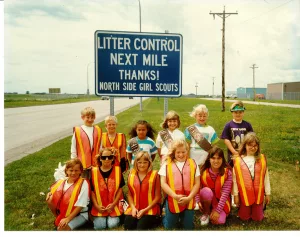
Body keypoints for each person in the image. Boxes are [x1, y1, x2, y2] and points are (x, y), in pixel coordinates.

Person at [159, 139, 200, 230]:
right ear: (174, 152)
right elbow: (163, 183)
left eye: (183, 152)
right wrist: (174, 196)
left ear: (187, 151)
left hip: (189, 198)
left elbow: (197, 183)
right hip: (173, 199)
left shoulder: (193, 163)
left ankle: (183, 217)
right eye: (178, 152)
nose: (181, 155)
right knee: (169, 227)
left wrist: (189, 198)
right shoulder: (166, 164)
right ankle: (166, 215)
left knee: (188, 227)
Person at [184, 104, 219, 210]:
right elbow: (187, 145)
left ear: (207, 116)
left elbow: (214, 145)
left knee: (204, 178)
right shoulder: (190, 129)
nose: (202, 118)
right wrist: (187, 157)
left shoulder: (210, 129)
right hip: (194, 156)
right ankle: (194, 200)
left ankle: (205, 197)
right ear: (195, 116)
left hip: (206, 156)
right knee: (194, 178)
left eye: (204, 116)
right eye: (199, 115)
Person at [233, 132, 271, 221]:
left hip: (258, 194)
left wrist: (267, 193)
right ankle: (243, 208)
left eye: (255, 145)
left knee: (258, 218)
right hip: (244, 194)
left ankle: (258, 209)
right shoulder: (238, 160)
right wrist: (235, 195)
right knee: (244, 217)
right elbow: (235, 180)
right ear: (245, 145)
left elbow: (266, 177)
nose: (253, 148)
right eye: (250, 145)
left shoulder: (262, 159)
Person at [46, 159, 90, 231]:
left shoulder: (83, 183)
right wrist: (50, 193)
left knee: (61, 229)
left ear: (81, 171)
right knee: (49, 199)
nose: (73, 173)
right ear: (66, 171)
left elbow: (81, 206)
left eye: (76, 170)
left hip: (79, 214)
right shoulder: (62, 181)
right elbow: (54, 192)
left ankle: (65, 223)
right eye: (71, 170)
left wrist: (68, 219)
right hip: (64, 212)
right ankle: (58, 218)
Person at [124, 151, 161, 230]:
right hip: (135, 207)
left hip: (149, 208)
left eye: (145, 162)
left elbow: (158, 197)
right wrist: (133, 208)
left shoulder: (155, 175)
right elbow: (130, 195)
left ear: (149, 163)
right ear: (136, 163)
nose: (142, 165)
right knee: (128, 226)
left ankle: (155, 220)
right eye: (139, 162)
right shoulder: (131, 174)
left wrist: (145, 210)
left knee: (140, 228)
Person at [90, 147, 125, 229]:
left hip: (114, 204)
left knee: (112, 225)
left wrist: (113, 204)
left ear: (113, 158)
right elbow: (92, 191)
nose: (106, 159)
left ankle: (119, 216)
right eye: (103, 157)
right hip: (99, 205)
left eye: (109, 157)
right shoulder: (93, 171)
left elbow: (120, 189)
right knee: (100, 226)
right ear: (100, 158)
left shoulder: (118, 170)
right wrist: (96, 206)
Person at [198, 146, 232, 226]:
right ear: (209, 159)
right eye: (213, 158)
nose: (216, 161)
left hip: (221, 202)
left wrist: (218, 211)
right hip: (208, 200)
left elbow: (225, 194)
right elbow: (197, 188)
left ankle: (215, 213)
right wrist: (198, 201)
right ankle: (206, 213)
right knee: (206, 191)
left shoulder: (227, 173)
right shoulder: (203, 172)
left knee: (219, 221)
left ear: (222, 159)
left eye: (219, 158)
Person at [70, 107, 102, 179]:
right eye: (88, 117)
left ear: (94, 117)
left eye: (92, 117)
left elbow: (100, 146)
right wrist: (73, 161)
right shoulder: (78, 131)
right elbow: (73, 147)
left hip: (95, 164)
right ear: (82, 117)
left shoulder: (98, 130)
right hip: (82, 164)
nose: (90, 119)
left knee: (94, 183)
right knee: (83, 183)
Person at [220, 100, 254, 167]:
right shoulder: (228, 125)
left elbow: (252, 138)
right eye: (235, 112)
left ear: (243, 112)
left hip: (245, 152)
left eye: (240, 112)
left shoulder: (247, 125)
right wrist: (233, 151)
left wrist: (248, 150)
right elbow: (226, 139)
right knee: (233, 169)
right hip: (233, 154)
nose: (238, 114)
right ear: (232, 113)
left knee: (245, 168)